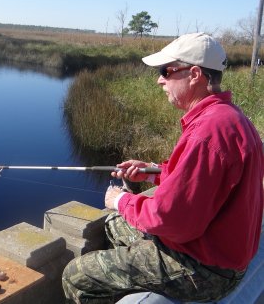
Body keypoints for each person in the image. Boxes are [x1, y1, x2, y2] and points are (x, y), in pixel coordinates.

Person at [62, 32, 264, 303]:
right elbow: (202, 180)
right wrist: (154, 171)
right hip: (218, 253)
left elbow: (171, 221)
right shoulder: (229, 118)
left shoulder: (208, 133)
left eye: (166, 71)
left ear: (194, 74)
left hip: (206, 270)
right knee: (113, 225)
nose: (159, 80)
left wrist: (121, 199)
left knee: (76, 275)